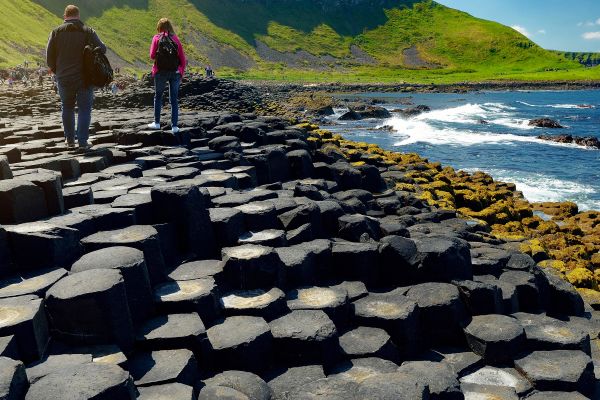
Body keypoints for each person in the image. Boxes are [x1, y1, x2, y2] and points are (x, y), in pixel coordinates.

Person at [46, 4, 106, 149]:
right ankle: (83, 142)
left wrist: (57, 71)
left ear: (65, 16)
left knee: (67, 107)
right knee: (85, 109)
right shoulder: (88, 31)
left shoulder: (55, 32)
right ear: (78, 16)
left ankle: (70, 140)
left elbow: (49, 57)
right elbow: (102, 49)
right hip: (85, 77)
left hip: (63, 77)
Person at [148, 18, 186, 133]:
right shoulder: (176, 39)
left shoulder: (156, 38)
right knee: (174, 100)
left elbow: (152, 55)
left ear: (159, 27)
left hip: (160, 72)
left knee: (158, 97)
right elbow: (183, 59)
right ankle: (174, 126)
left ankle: (157, 123)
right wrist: (181, 73)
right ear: (170, 27)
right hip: (175, 73)